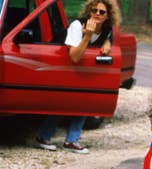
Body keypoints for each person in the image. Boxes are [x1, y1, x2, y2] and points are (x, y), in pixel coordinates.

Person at [36, 0, 119, 154]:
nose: (97, 14)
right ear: (89, 11)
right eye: (94, 10)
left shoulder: (107, 29)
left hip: (82, 69)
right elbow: (74, 56)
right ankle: (44, 136)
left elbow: (106, 38)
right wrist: (87, 36)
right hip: (59, 64)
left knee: (84, 100)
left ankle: (72, 140)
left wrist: (107, 43)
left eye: (102, 12)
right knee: (64, 102)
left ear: (108, 16)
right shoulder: (77, 26)